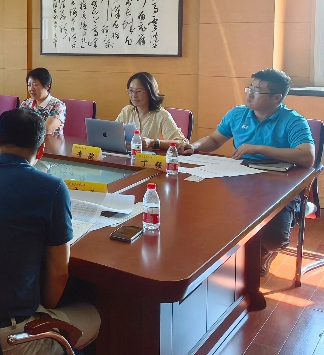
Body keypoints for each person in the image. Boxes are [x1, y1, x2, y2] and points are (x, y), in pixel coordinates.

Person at [0, 109, 100, 355]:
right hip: (7, 340)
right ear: (41, 150)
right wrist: (47, 310)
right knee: (94, 315)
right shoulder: (52, 188)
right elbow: (59, 272)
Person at [180, 69, 315, 276]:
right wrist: (195, 146)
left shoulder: (293, 120)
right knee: (212, 217)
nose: (250, 93)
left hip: (280, 183)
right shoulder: (237, 114)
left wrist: (259, 148)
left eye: (257, 90)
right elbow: (215, 139)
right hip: (241, 178)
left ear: (276, 98)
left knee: (275, 239)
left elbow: (307, 157)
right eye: (250, 88)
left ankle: (271, 243)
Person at [115, 72, 185, 150]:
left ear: (150, 92)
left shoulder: (161, 115)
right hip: (127, 156)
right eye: (131, 91)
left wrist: (154, 142)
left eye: (139, 91)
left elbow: (181, 143)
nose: (134, 96)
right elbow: (113, 135)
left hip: (152, 157)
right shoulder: (127, 111)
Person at [20, 68, 66, 136]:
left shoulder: (57, 105)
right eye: (29, 85)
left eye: (35, 85)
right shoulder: (26, 103)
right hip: (27, 141)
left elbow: (46, 129)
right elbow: (17, 124)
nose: (31, 89)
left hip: (51, 142)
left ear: (47, 86)